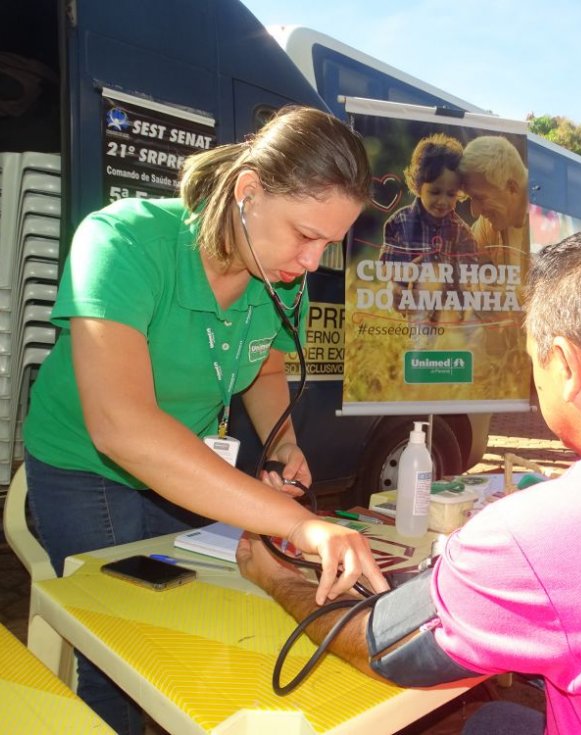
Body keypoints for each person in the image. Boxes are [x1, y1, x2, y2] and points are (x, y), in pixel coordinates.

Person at [237, 225, 581, 734]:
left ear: (564, 364)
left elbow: (385, 645)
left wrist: (275, 577)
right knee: (500, 720)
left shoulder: (542, 532)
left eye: (532, 358)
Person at [23, 105, 388, 734]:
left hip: (184, 464)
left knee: (199, 616)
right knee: (118, 646)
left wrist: (282, 445)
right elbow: (122, 427)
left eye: (329, 243)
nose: (311, 260)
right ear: (248, 190)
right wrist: (302, 525)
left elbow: (267, 371)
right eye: (305, 234)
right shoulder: (124, 240)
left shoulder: (280, 280)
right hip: (86, 464)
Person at [379, 132, 477, 327]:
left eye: (451, 194)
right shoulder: (398, 223)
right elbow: (387, 269)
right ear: (418, 185)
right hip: (411, 316)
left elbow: (470, 280)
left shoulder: (463, 233)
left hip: (450, 321)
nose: (443, 201)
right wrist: (400, 282)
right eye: (435, 192)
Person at [458, 134, 529, 268]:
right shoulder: (488, 225)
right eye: (472, 198)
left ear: (512, 188)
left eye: (480, 198)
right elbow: (461, 264)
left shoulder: (547, 220)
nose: (474, 212)